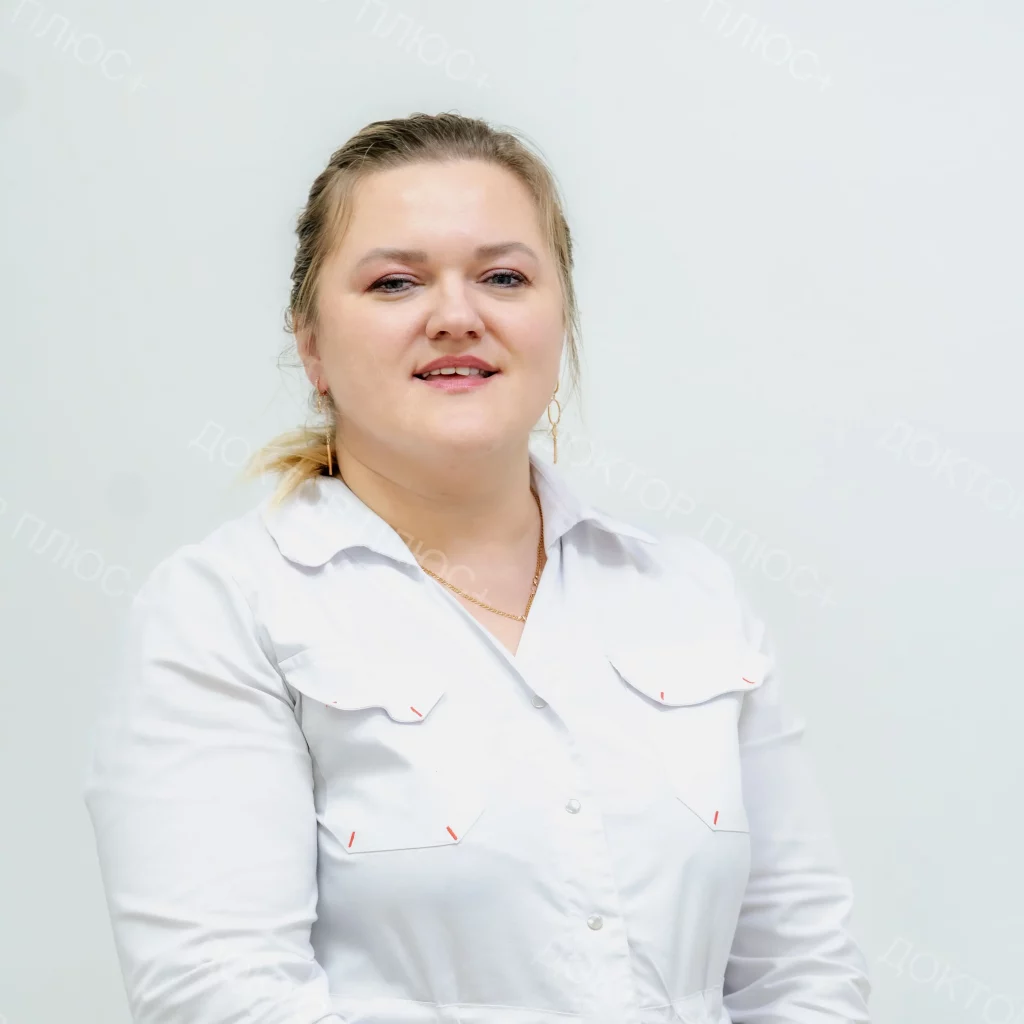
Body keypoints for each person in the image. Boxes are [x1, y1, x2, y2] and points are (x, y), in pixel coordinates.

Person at [83, 111, 872, 1024]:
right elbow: (221, 996)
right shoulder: (226, 610)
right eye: (395, 282)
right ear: (311, 344)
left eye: (503, 277)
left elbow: (803, 971)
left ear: (559, 320)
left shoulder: (690, 596)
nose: (457, 317)